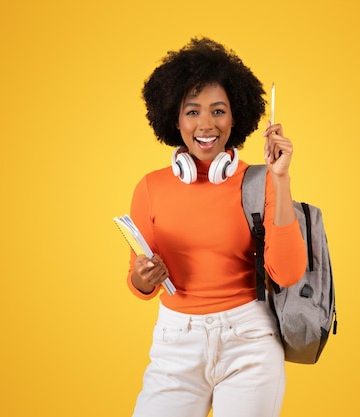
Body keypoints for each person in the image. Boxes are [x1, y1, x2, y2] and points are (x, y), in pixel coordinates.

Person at [125, 37, 307, 417]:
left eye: (218, 111)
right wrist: (145, 275)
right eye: (192, 112)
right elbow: (139, 284)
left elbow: (288, 273)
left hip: (249, 342)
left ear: (235, 116)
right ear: (174, 120)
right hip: (176, 342)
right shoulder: (150, 188)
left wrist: (281, 179)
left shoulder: (260, 183)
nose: (206, 125)